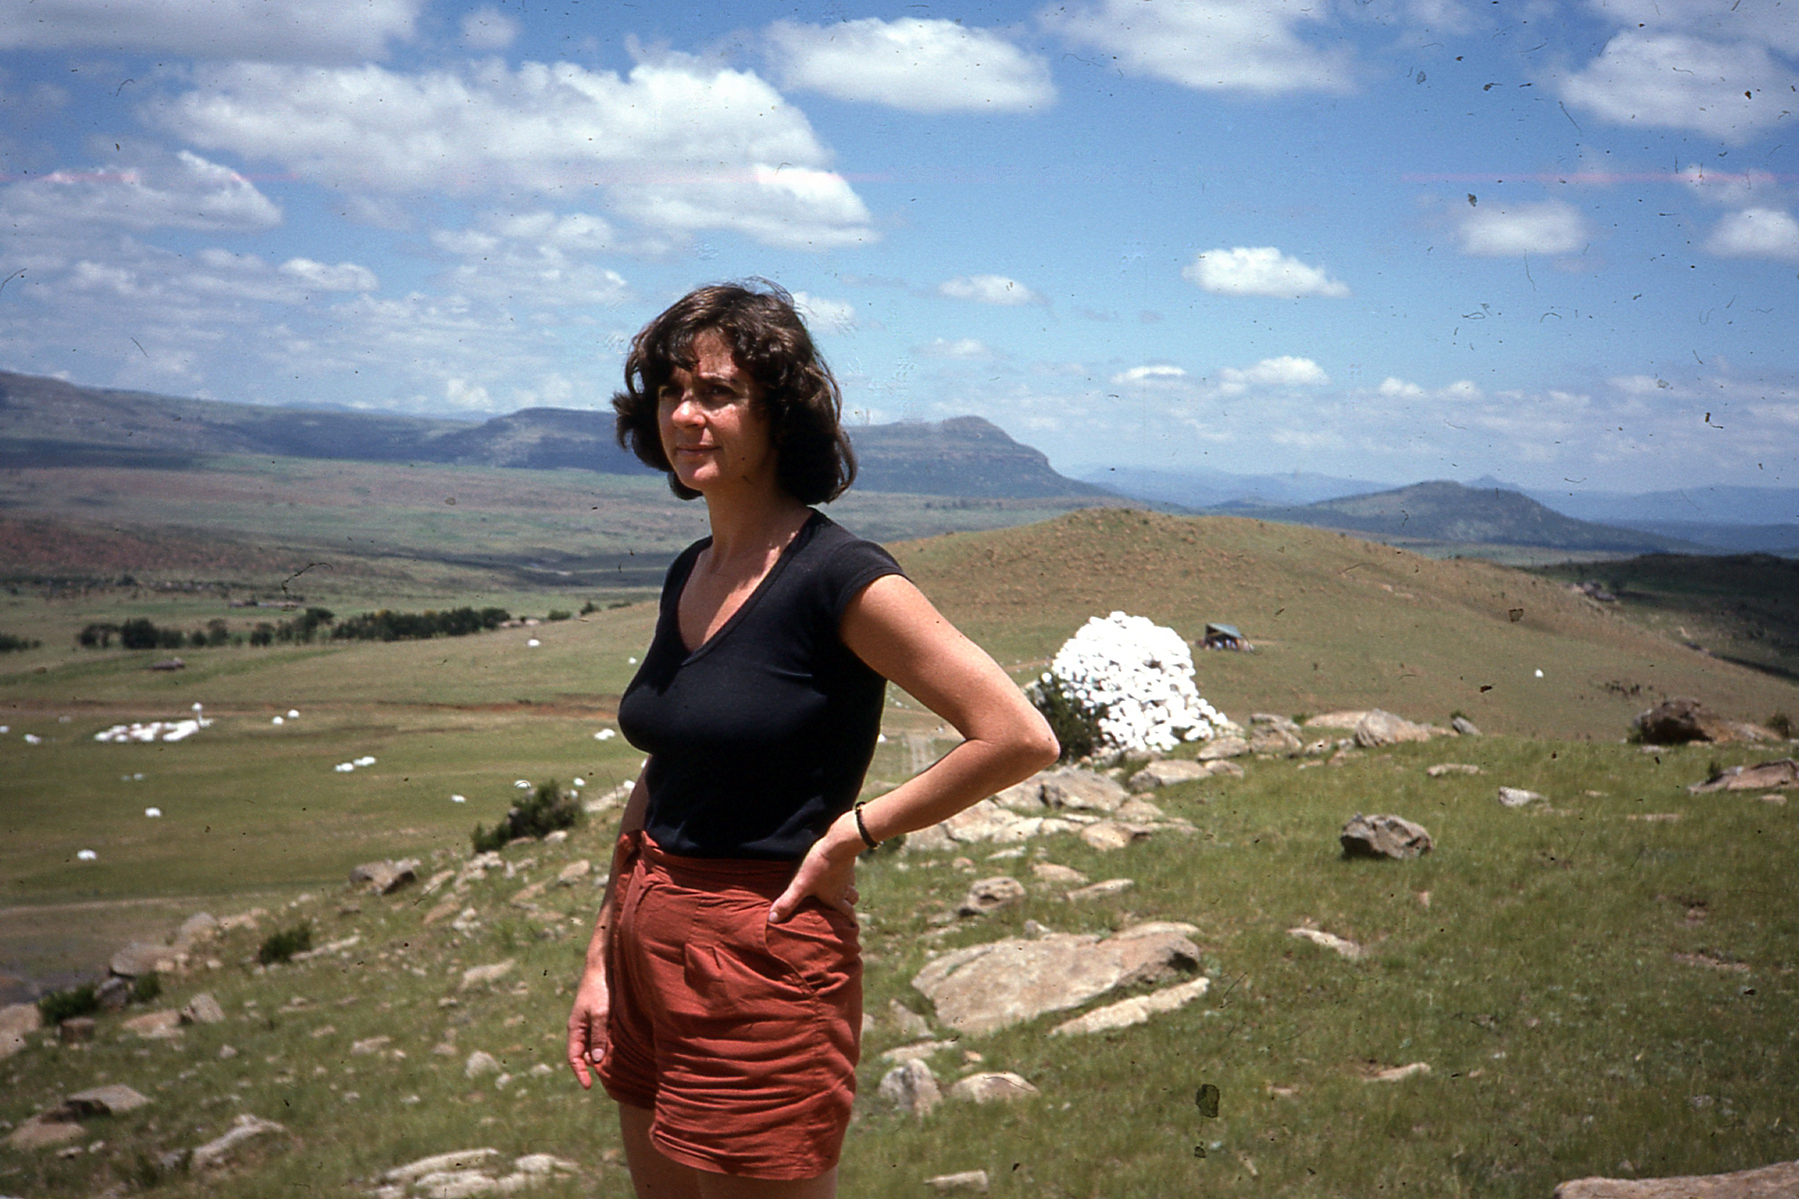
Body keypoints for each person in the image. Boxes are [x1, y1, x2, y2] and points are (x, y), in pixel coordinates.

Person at [566, 281, 1059, 1199]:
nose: (685, 415)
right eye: (671, 391)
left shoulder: (842, 577)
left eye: (717, 393)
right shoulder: (693, 568)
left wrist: (853, 832)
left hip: (758, 954)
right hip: (646, 938)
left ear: (780, 414)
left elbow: (1018, 735)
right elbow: (667, 765)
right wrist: (601, 953)